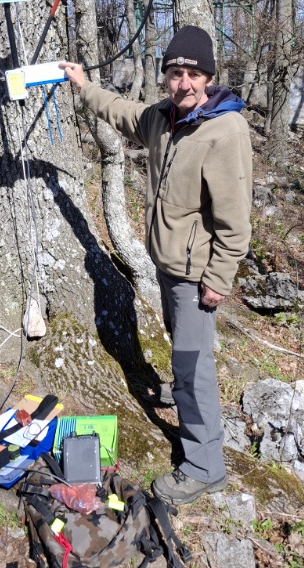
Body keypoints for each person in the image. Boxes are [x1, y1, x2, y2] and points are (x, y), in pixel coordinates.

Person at [59, 25, 252, 504]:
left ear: (208, 78)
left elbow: (235, 219)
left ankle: (205, 467)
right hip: (168, 266)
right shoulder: (163, 119)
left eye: (193, 74)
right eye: (175, 73)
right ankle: (183, 395)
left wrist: (218, 279)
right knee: (184, 356)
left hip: (196, 275)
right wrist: (83, 86)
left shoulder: (225, 131)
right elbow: (122, 112)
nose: (183, 83)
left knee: (193, 366)